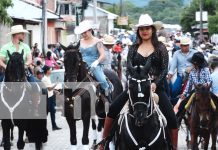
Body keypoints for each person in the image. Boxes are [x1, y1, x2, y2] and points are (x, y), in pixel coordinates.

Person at [100, 14, 178, 150]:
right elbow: (129, 70)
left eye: (147, 28)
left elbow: (164, 70)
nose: (145, 31)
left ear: (152, 30)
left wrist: (155, 83)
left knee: (171, 117)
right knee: (112, 109)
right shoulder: (133, 48)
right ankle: (104, 142)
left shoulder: (160, 47)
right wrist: (134, 83)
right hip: (135, 87)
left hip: (155, 87)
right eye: (142, 29)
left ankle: (174, 147)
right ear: (138, 31)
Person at [74, 20, 111, 99]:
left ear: (90, 30)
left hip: (94, 65)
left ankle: (108, 97)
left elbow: (103, 55)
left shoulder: (98, 41)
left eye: (85, 32)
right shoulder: (79, 42)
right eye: (82, 33)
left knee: (102, 80)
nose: (83, 34)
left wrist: (96, 62)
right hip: (81, 66)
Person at [168, 37, 196, 105]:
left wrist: (192, 67)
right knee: (174, 91)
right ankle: (175, 107)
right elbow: (172, 67)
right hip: (181, 76)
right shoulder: (176, 53)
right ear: (181, 46)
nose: (186, 47)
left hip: (193, 76)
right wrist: (169, 78)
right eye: (184, 45)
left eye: (187, 45)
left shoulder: (194, 52)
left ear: (189, 45)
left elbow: (200, 63)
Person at [41, 65, 61, 131]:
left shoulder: (47, 78)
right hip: (48, 98)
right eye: (50, 70)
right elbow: (49, 89)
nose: (50, 71)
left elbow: (49, 88)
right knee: (46, 113)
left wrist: (55, 91)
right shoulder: (44, 79)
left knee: (53, 112)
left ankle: (54, 126)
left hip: (51, 97)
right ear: (47, 71)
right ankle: (43, 128)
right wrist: (56, 83)